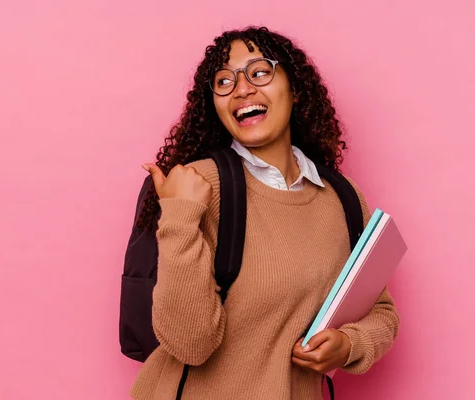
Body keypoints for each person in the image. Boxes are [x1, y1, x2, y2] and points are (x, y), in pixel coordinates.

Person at [130, 26, 400, 399]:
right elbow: (189, 344)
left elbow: (382, 311)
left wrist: (350, 344)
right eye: (224, 81)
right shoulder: (197, 187)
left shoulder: (343, 197)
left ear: (295, 89)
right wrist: (178, 215)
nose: (242, 89)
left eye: (259, 72)